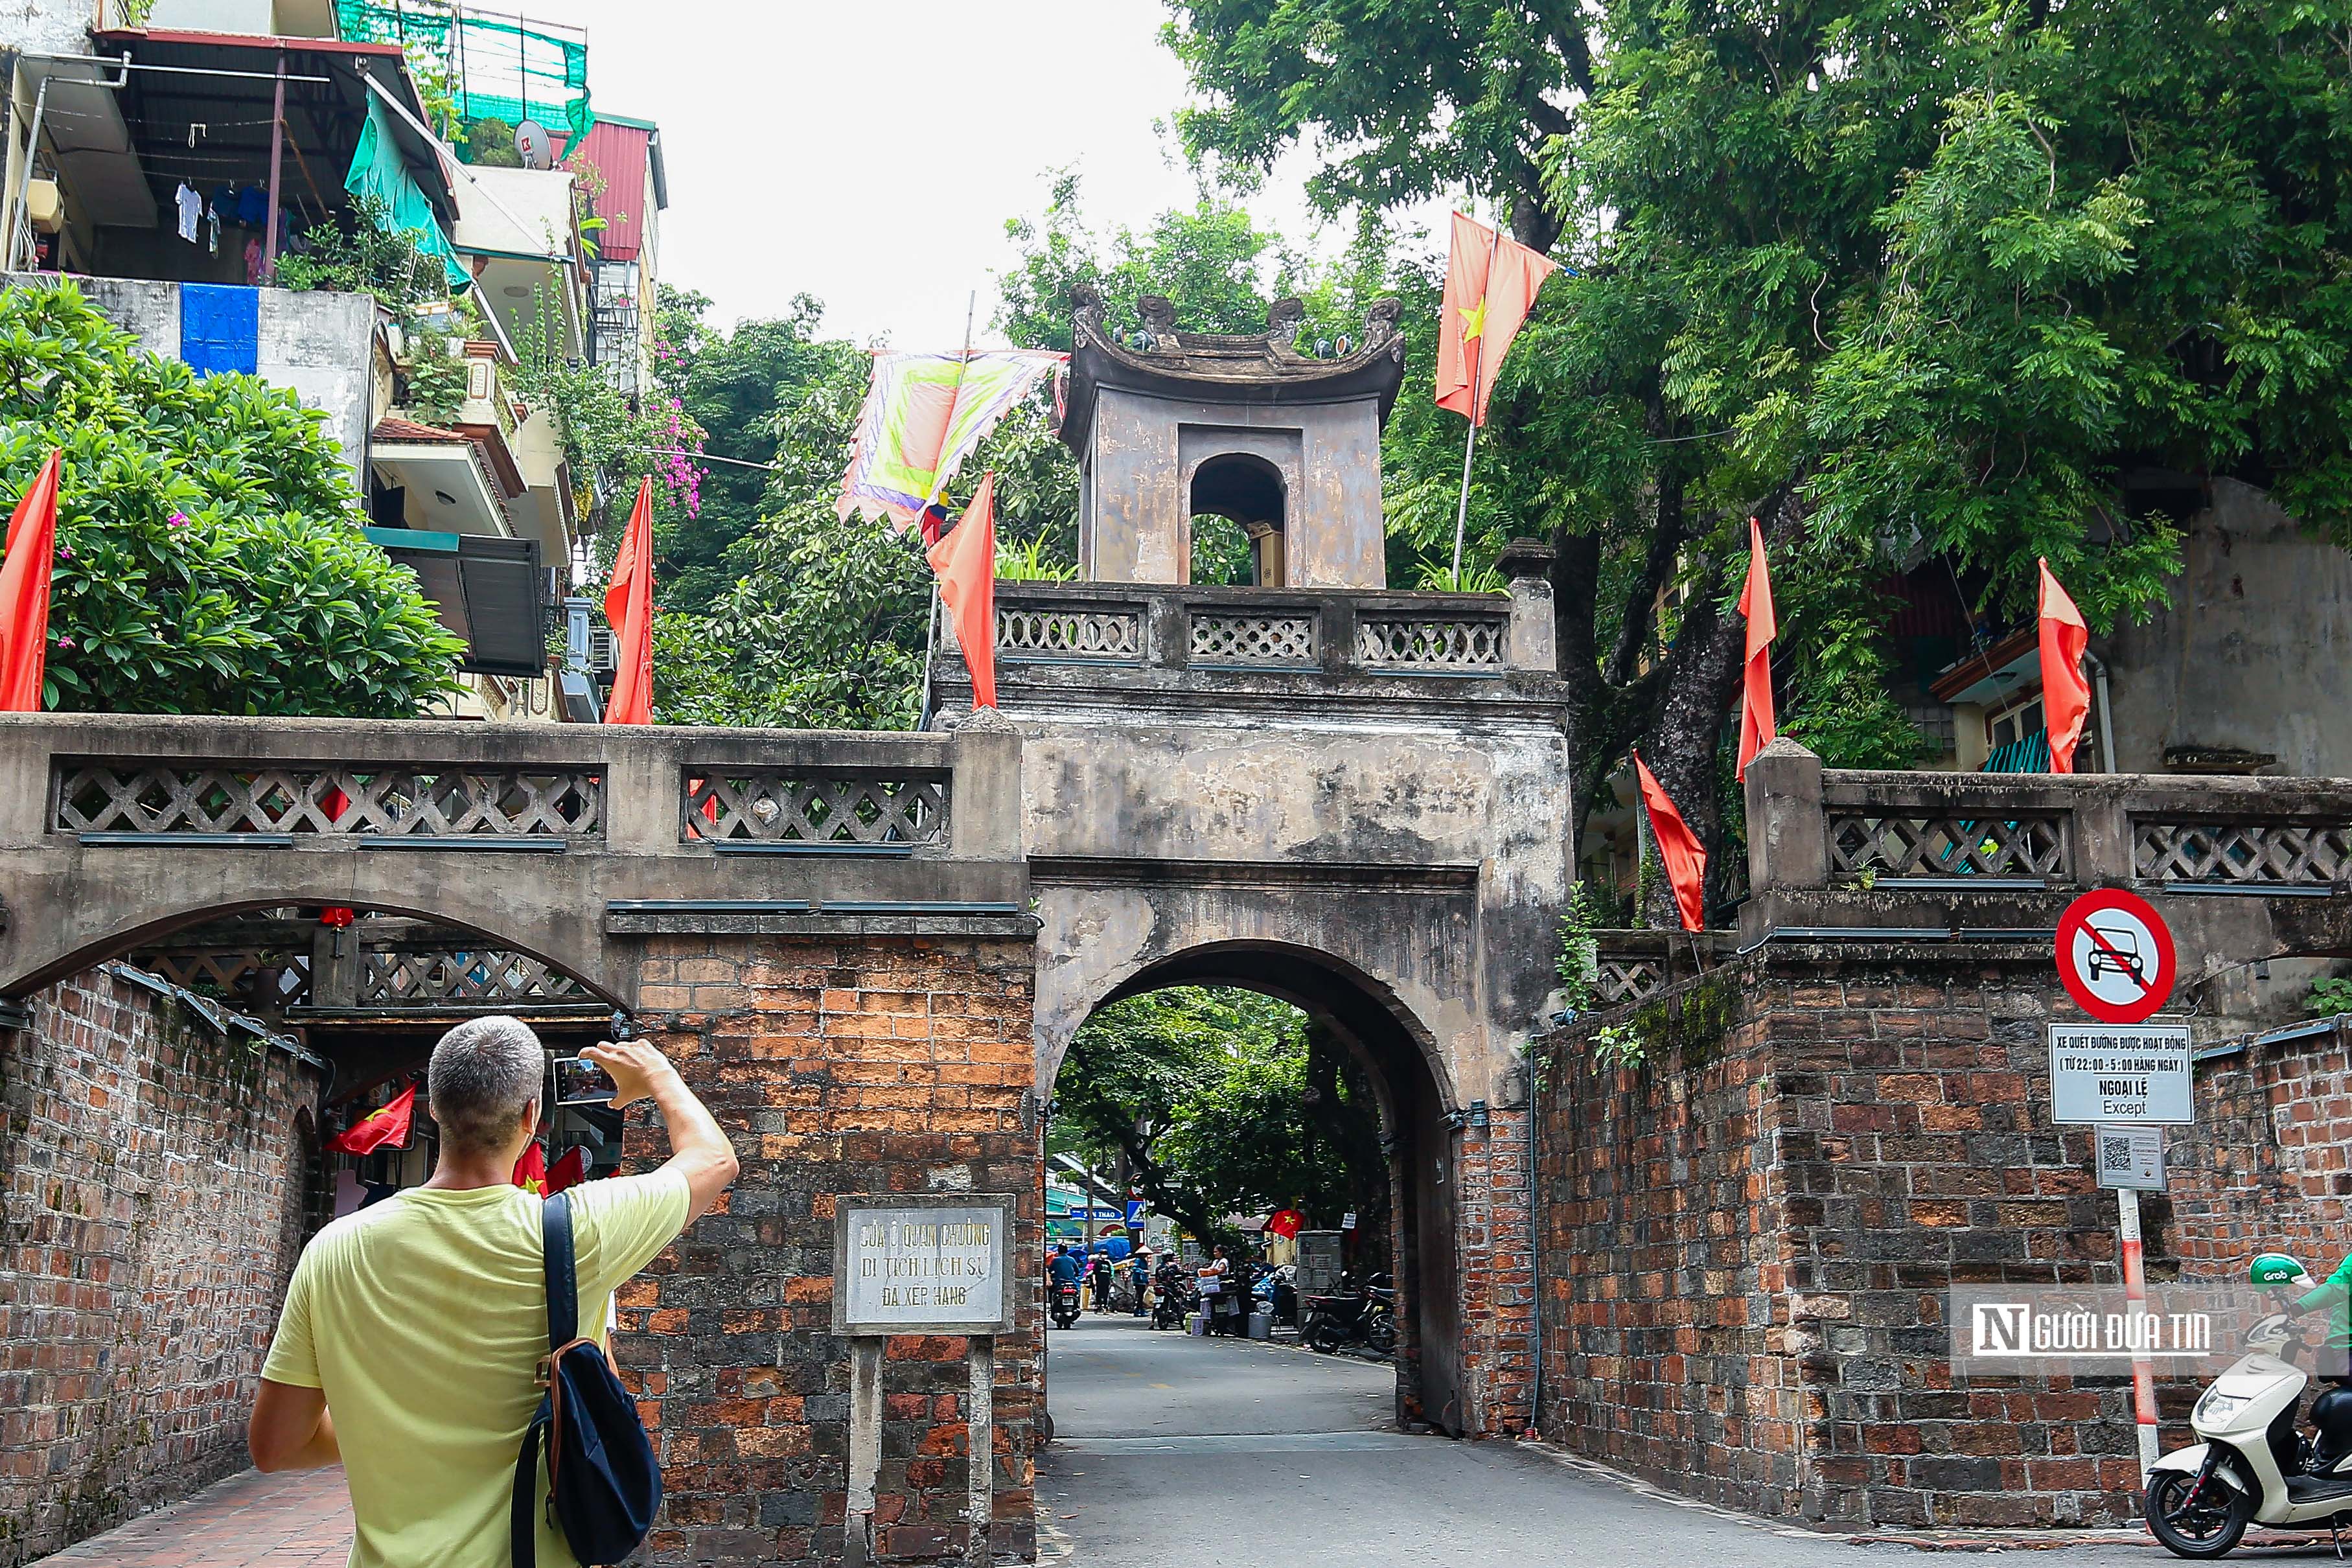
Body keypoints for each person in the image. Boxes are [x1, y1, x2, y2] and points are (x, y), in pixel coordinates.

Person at [246, 1017, 739, 1568]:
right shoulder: (582, 1230)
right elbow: (715, 1161)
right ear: (533, 1116)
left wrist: (391, 1419)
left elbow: (276, 1446)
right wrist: (657, 1073)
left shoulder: (334, 1250)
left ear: (434, 1107)